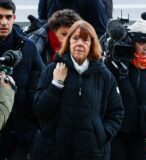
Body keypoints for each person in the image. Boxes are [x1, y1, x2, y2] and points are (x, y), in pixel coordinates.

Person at [31, 20, 124, 160]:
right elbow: (39, 110)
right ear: (68, 42)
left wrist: (101, 135)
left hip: (91, 153)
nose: (79, 43)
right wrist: (56, 84)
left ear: (92, 44)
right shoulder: (52, 69)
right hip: (53, 151)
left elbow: (116, 112)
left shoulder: (105, 76)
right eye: (75, 38)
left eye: (85, 40)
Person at [105, 19, 146, 160]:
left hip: (140, 132)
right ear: (132, 41)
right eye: (141, 42)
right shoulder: (119, 59)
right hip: (117, 130)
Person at [0, 0, 44, 159]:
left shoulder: (28, 47)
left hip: (23, 131)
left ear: (14, 18)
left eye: (8, 17)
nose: (3, 22)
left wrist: (35, 124)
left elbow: (40, 84)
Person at [37, 0, 108, 38]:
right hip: (50, 57)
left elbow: (102, 35)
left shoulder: (92, 2)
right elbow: (43, 24)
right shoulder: (47, 1)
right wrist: (38, 27)